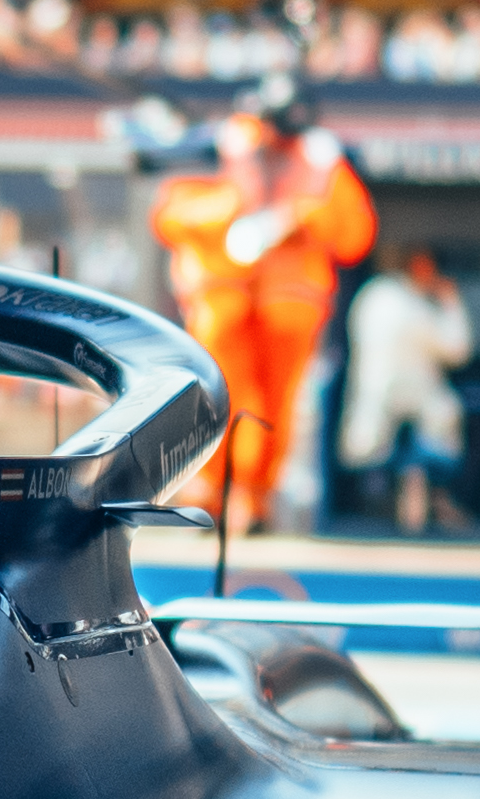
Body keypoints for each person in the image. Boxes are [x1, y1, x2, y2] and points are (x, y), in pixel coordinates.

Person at [146, 75, 375, 531]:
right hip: (222, 300)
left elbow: (355, 236)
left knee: (275, 408)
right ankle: (208, 490)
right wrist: (235, 207)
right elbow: (169, 215)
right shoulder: (216, 150)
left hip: (289, 308)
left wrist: (303, 219)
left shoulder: (321, 161)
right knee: (212, 396)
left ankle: (254, 496)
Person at [331, 243, 473, 532]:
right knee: (424, 446)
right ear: (419, 264)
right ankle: (415, 517)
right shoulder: (401, 300)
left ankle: (411, 513)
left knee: (409, 456)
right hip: (395, 410)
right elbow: (459, 350)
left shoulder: (372, 292)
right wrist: (450, 300)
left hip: (378, 409)